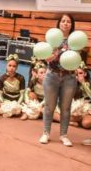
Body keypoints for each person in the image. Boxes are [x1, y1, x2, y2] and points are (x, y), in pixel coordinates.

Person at [39, 14, 78, 147]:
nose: (66, 23)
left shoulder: (76, 40)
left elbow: (77, 60)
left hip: (69, 77)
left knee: (65, 108)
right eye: (63, 21)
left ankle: (63, 135)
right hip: (52, 76)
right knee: (49, 107)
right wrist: (55, 53)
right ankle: (46, 133)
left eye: (68, 21)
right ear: (59, 23)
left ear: (71, 25)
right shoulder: (52, 39)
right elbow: (46, 59)